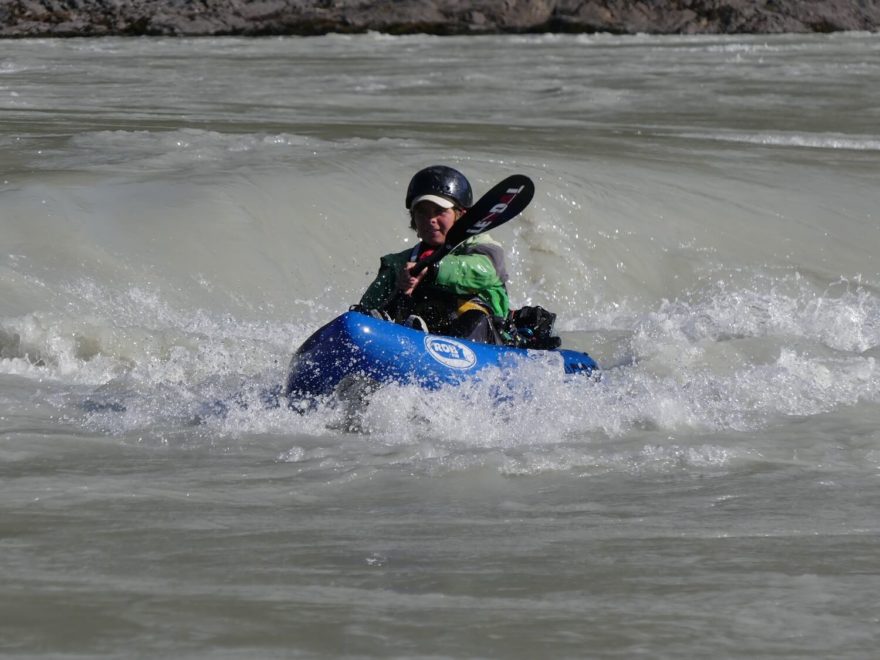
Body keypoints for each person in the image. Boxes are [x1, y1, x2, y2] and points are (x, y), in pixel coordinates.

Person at [357, 165, 510, 344]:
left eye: (440, 211)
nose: (431, 219)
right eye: (422, 212)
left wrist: (432, 269)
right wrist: (399, 291)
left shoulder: (484, 249)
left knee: (475, 317)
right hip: (419, 340)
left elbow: (487, 271)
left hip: (480, 340)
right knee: (381, 312)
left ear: (460, 214)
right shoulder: (398, 263)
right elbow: (364, 310)